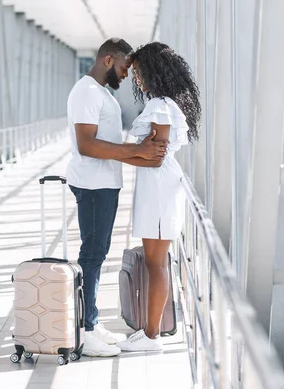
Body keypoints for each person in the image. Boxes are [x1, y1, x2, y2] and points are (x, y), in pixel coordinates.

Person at [66, 38, 168, 357]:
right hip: (93, 184)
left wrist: (141, 155)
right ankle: (85, 329)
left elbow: (105, 142)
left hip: (104, 184)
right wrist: (138, 150)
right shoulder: (86, 91)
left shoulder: (100, 93)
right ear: (108, 60)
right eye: (124, 68)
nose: (126, 76)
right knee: (92, 256)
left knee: (97, 253)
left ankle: (92, 325)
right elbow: (87, 144)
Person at [116, 42, 201, 352]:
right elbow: (151, 153)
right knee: (155, 262)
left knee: (156, 263)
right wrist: (134, 152)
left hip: (159, 186)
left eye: (139, 73)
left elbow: (154, 157)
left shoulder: (159, 106)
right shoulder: (165, 103)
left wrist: (113, 154)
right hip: (158, 185)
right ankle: (150, 331)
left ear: (152, 72)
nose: (136, 79)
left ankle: (151, 337)